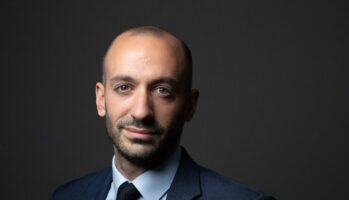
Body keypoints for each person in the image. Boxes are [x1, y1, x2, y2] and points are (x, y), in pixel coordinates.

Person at [52, 26, 276, 200]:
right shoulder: (67, 196)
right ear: (101, 100)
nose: (141, 112)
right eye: (124, 87)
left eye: (162, 90)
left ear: (190, 105)